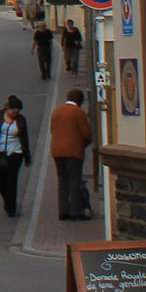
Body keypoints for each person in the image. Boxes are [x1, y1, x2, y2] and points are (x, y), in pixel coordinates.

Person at [0, 94, 33, 217]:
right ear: (7, 109)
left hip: (15, 153)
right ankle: (7, 200)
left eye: (17, 112)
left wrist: (27, 156)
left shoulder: (21, 120)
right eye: (13, 112)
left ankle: (11, 207)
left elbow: (25, 139)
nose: (15, 114)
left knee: (11, 181)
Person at [51, 88, 95, 220]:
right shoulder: (77, 112)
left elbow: (52, 130)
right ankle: (76, 211)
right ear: (80, 101)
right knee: (74, 180)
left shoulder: (56, 111)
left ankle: (63, 211)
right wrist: (83, 143)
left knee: (62, 181)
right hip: (73, 151)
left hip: (57, 151)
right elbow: (86, 134)